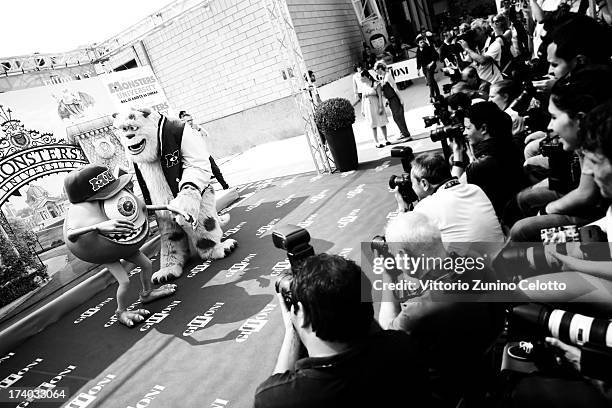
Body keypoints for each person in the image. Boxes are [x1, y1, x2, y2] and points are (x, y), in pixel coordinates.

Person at [254, 253, 432, 407]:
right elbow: (380, 333)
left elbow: (272, 390)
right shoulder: (403, 347)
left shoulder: (281, 398)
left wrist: (292, 330)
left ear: (302, 315)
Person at [379, 211, 504, 407]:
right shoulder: (475, 262)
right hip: (484, 363)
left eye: (395, 255)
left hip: (446, 389)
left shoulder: (418, 312)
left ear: (403, 256)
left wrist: (387, 278)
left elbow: (387, 333)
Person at [507, 67, 612, 241]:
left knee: (521, 230)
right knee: (523, 198)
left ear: (580, 119)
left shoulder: (594, 142)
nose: (550, 127)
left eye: (554, 118)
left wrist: (546, 210)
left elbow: (586, 195)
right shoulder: (587, 136)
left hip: (593, 216)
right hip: (595, 213)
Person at [394, 152, 505, 244]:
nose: (412, 187)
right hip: (500, 257)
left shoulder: (426, 207)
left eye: (413, 183)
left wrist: (402, 209)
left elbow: (398, 238)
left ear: (424, 183)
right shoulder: (474, 189)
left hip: (473, 267)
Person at [178, 111, 230, 190]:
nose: (191, 122)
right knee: (201, 178)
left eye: (191, 120)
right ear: (183, 121)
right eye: (188, 121)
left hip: (205, 155)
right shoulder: (181, 132)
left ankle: (225, 186)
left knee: (216, 170)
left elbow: (207, 135)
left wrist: (198, 129)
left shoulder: (196, 127)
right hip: (193, 159)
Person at [459, 18, 504, 84]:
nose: (473, 34)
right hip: (483, 85)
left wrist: (467, 49)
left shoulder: (495, 43)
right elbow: (470, 62)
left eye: (475, 31)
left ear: (483, 30)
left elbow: (483, 60)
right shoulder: (476, 46)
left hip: (496, 84)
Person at [374, 61, 412, 141]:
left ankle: (406, 134)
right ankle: (402, 132)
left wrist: (401, 99)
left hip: (395, 99)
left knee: (399, 116)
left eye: (375, 70)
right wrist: (387, 99)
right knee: (395, 117)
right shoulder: (383, 77)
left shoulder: (388, 76)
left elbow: (394, 88)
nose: (375, 72)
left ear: (380, 69)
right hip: (390, 100)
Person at [359, 69, 390, 148]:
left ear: (366, 76)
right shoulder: (363, 86)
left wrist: (380, 107)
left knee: (381, 121)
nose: (360, 79)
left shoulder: (376, 84)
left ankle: (386, 139)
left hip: (376, 103)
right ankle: (376, 142)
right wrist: (362, 109)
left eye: (361, 77)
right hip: (367, 105)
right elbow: (362, 98)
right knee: (373, 124)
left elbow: (380, 95)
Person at [416, 36, 440, 102]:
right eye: (421, 42)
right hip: (424, 68)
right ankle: (438, 94)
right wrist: (418, 69)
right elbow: (418, 60)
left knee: (429, 81)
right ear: (418, 44)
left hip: (430, 66)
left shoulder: (428, 48)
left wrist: (431, 63)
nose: (422, 43)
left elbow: (434, 56)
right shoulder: (418, 50)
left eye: (423, 42)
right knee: (432, 81)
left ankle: (432, 96)